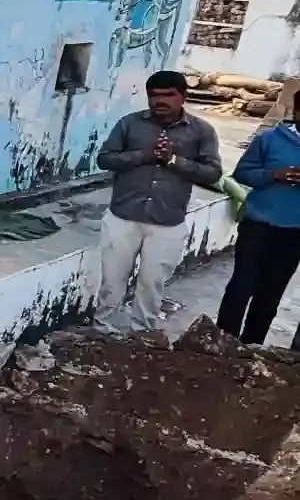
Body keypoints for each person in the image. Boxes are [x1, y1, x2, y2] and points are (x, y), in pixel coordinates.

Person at [95, 71, 222, 333]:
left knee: (152, 283)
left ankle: (142, 335)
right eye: (154, 95)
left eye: (168, 95)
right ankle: (101, 330)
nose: (159, 101)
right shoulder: (129, 124)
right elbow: (105, 160)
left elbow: (212, 173)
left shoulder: (201, 132)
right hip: (123, 217)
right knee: (112, 280)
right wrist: (144, 155)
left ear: (183, 96)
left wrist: (174, 161)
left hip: (167, 221)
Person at [218, 113, 300, 345]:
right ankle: (223, 343)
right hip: (257, 224)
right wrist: (274, 174)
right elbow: (242, 173)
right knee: (242, 285)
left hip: (295, 232)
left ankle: (252, 347)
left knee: (271, 294)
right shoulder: (270, 138)